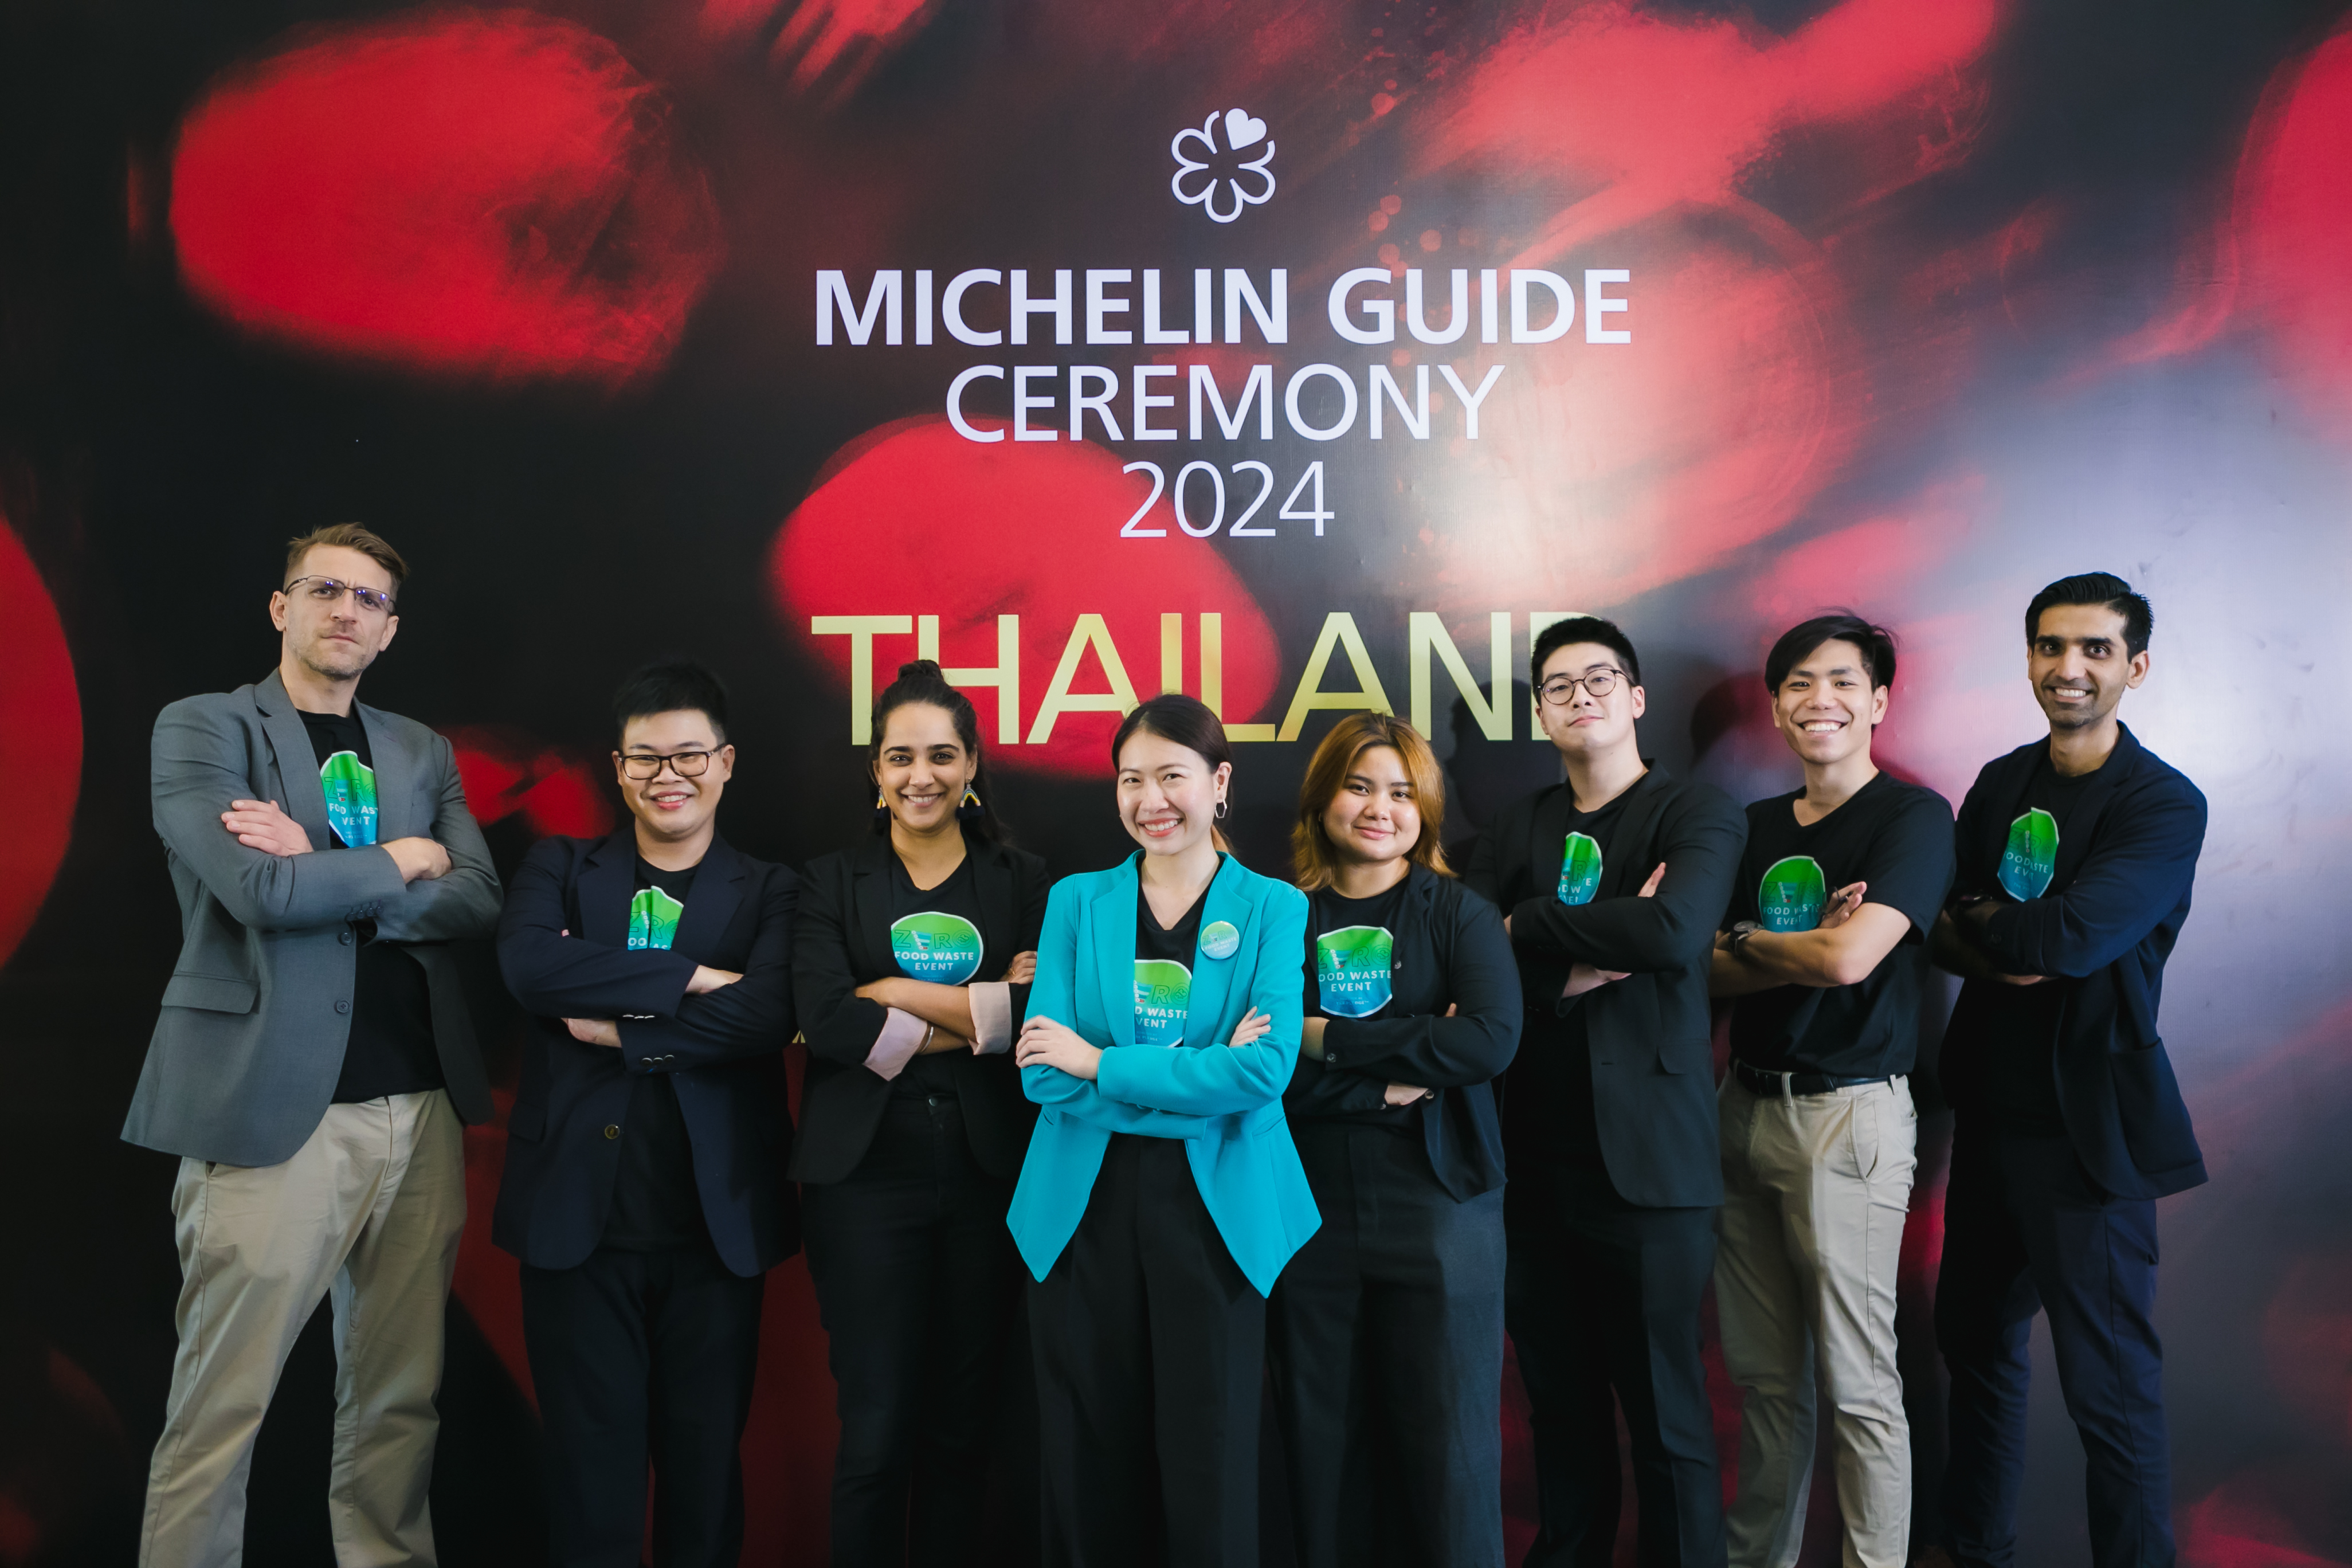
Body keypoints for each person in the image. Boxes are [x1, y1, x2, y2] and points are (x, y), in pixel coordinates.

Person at [126, 523, 501, 1566]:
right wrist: (399, 857)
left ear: (389, 631)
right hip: (269, 1112)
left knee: (398, 1402)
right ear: (281, 607)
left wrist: (343, 868)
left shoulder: (422, 749)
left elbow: (476, 897)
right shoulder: (203, 728)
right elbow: (258, 889)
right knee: (220, 1409)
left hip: (416, 1110)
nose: (347, 610)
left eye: (369, 599)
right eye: (324, 589)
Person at [493, 657, 798, 1567]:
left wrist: (627, 1034)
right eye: (647, 759)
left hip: (715, 1233)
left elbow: (772, 1011)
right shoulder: (559, 865)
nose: (670, 777)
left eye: (689, 756)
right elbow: (529, 971)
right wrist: (695, 981)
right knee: (593, 1488)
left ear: (728, 762)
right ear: (620, 769)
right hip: (575, 1230)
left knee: (705, 1486)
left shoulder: (776, 889)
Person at [1929, 574, 2206, 1568]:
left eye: (2094, 649)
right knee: (1976, 1351)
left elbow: (2077, 938)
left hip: (2090, 1133)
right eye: (2051, 647)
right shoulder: (2002, 781)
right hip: (1992, 1118)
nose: (2068, 668)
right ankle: (1977, 1553)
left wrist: (1998, 933)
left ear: (2135, 667)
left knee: (2109, 1388)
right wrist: (2010, 939)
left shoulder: (2165, 803)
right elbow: (1941, 925)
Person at [1008, 693, 1318, 1567]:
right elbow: (1039, 1072)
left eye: (1172, 776)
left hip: (1218, 1210)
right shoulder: (1077, 901)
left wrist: (1100, 1064)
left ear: (1218, 783)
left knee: (1211, 1453)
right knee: (1084, 1455)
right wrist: (1198, 1081)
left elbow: (1264, 1073)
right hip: (1081, 1209)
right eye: (1131, 779)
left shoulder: (1273, 908)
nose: (1153, 800)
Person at [1464, 614, 1746, 1568]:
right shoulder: (1514, 828)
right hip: (1531, 1168)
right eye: (1558, 686)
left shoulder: (1699, 815)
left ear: (1633, 698)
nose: (1579, 697)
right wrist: (1574, 957)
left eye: (1598, 680)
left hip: (1653, 1173)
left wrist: (1527, 923)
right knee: (1563, 1414)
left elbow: (1670, 935)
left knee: (1668, 1418)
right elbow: (1470, 969)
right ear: (1541, 713)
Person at [1707, 616, 1955, 1568]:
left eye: (1844, 682)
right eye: (1800, 683)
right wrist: (1795, 950)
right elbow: (1700, 974)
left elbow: (1853, 957)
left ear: (1880, 702)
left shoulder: (1912, 819)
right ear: (1775, 707)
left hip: (1848, 1118)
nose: (1822, 700)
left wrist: (1758, 946)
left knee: (1858, 1386)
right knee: (1767, 1388)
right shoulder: (1755, 826)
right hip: (1742, 1110)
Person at [790, 660, 1050, 1567]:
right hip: (862, 1183)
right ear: (876, 770)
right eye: (901, 757)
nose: (922, 776)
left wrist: (891, 992)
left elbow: (1040, 1022)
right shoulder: (827, 882)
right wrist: (982, 1011)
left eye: (943, 756)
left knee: (962, 1426)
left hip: (989, 1180)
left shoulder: (1023, 881)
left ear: (973, 764)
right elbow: (826, 1021)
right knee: (875, 1428)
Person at [1269, 712, 1522, 1568]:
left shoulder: (1461, 913)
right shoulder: (1277, 919)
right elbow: (1262, 1066)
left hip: (1441, 1200)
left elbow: (1488, 1041)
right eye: (1361, 786)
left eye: (1403, 793)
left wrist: (1327, 1039)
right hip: (1309, 1207)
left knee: (1449, 1449)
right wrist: (1395, 1068)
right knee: (1322, 1445)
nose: (1381, 808)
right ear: (1323, 797)